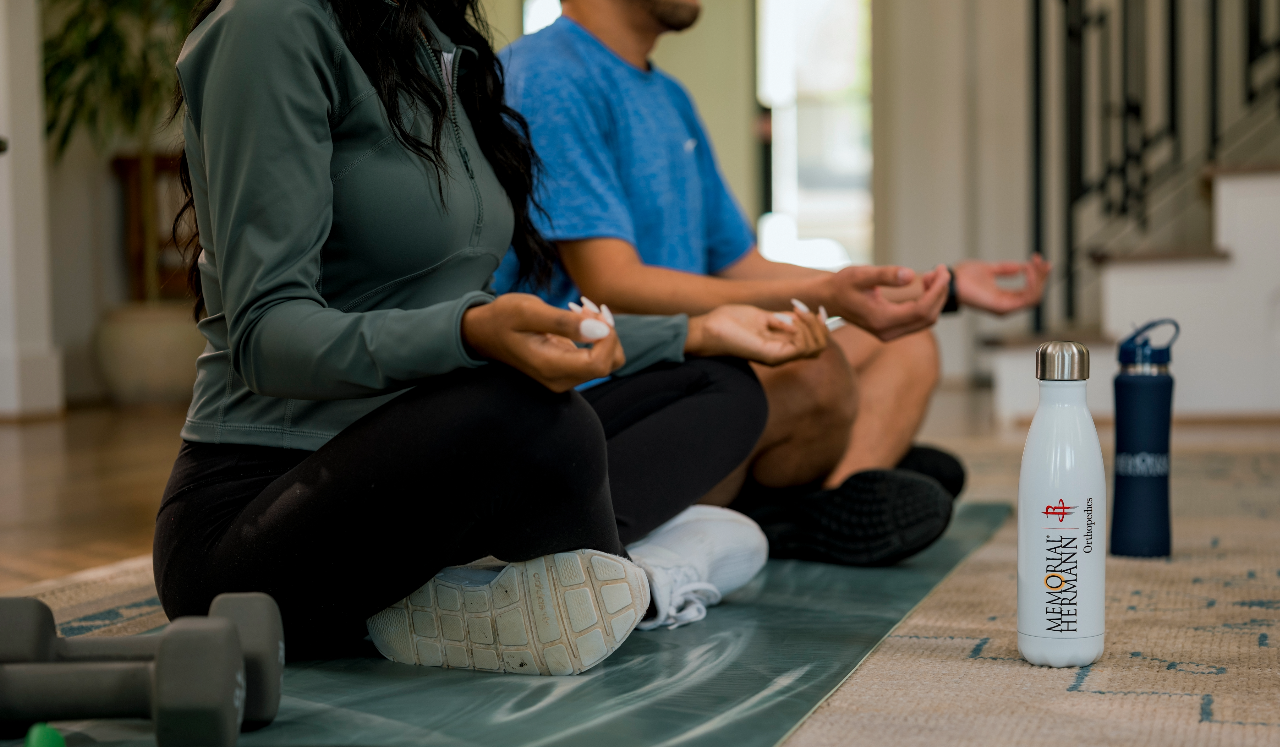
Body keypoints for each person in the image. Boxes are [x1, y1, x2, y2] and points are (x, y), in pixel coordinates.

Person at [157, 0, 831, 675]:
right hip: (260, 519)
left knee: (724, 385)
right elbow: (266, 334)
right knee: (537, 420)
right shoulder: (269, 24)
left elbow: (460, 313)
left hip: (428, 454)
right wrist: (472, 331)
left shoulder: (435, 39)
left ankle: (528, 580)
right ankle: (633, 574)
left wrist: (696, 330)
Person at [493, 0, 1051, 567]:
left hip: (678, 364)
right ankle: (803, 501)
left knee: (906, 347)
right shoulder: (547, 75)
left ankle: (811, 508)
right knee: (814, 367)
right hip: (600, 390)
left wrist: (942, 285)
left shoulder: (669, 98)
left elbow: (744, 266)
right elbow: (614, 284)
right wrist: (824, 300)